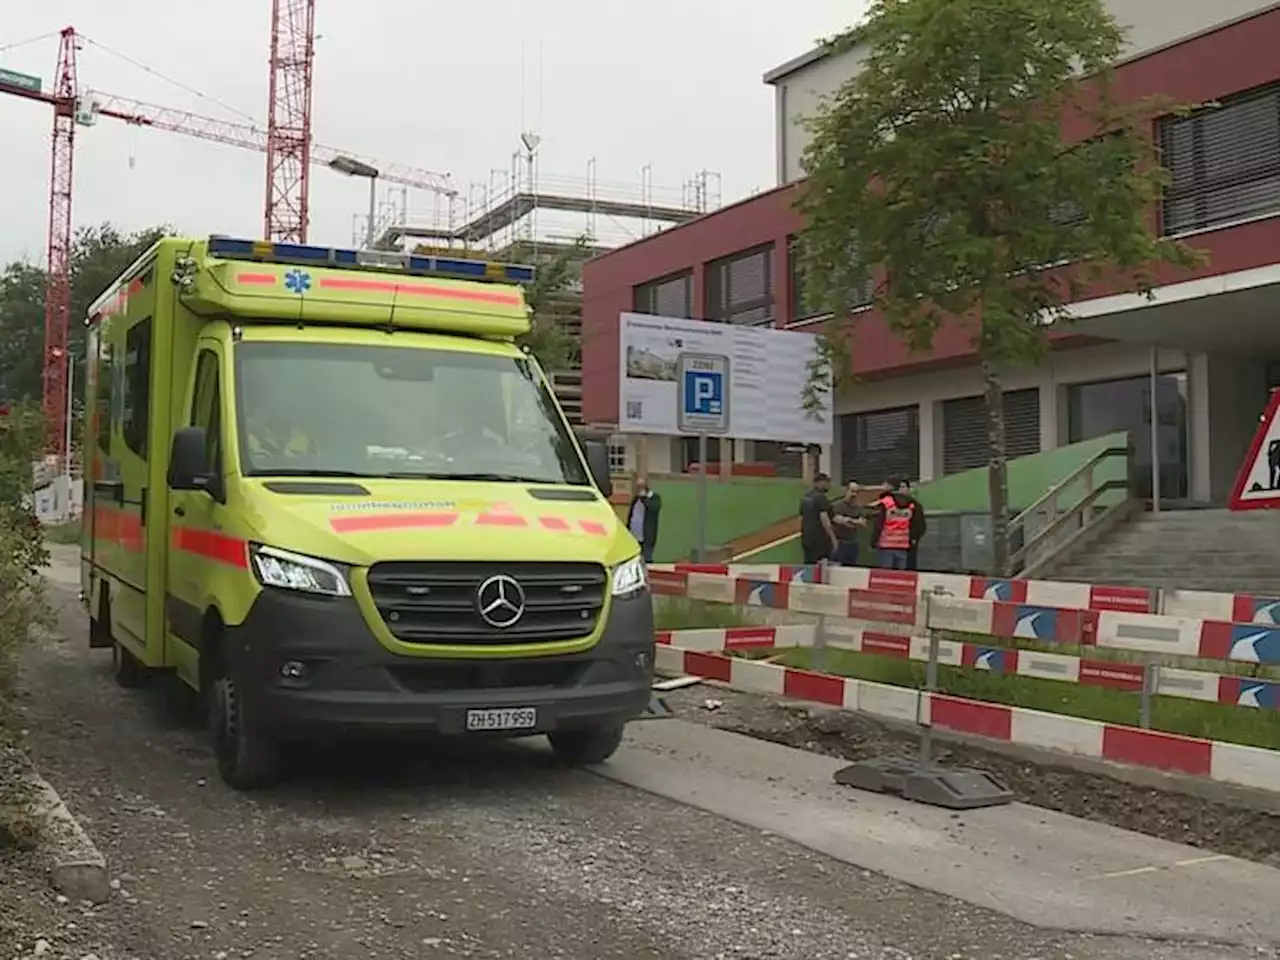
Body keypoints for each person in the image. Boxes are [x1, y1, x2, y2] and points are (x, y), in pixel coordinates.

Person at [872, 476, 925, 570]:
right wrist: (912, 539)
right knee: (900, 577)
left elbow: (879, 524)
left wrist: (873, 541)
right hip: (903, 545)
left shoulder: (886, 502)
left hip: (886, 544)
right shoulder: (912, 505)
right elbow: (920, 525)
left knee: (886, 576)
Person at [799, 472, 838, 566]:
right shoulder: (821, 497)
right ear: (821, 483)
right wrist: (833, 539)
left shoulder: (805, 497)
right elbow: (825, 519)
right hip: (820, 541)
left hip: (807, 540)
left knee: (809, 567)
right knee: (821, 569)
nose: (829, 485)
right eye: (827, 482)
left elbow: (801, 517)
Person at [831, 481, 868, 566]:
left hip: (853, 543)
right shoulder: (838, 506)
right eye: (852, 491)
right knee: (837, 567)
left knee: (851, 568)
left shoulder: (858, 507)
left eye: (856, 492)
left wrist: (848, 520)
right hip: (839, 542)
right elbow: (837, 519)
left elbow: (863, 523)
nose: (854, 494)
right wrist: (854, 521)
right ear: (846, 491)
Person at [626, 475, 662, 563]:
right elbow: (631, 515)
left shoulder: (654, 498)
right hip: (634, 535)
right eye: (637, 487)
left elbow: (653, 508)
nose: (638, 489)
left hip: (646, 536)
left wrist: (644, 498)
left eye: (640, 487)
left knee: (646, 560)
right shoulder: (636, 499)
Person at [896, 478, 927, 570]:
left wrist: (913, 537)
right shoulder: (891, 504)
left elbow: (921, 525)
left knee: (909, 567)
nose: (901, 489)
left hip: (909, 543)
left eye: (903, 487)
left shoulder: (916, 505)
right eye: (899, 487)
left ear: (908, 489)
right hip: (894, 542)